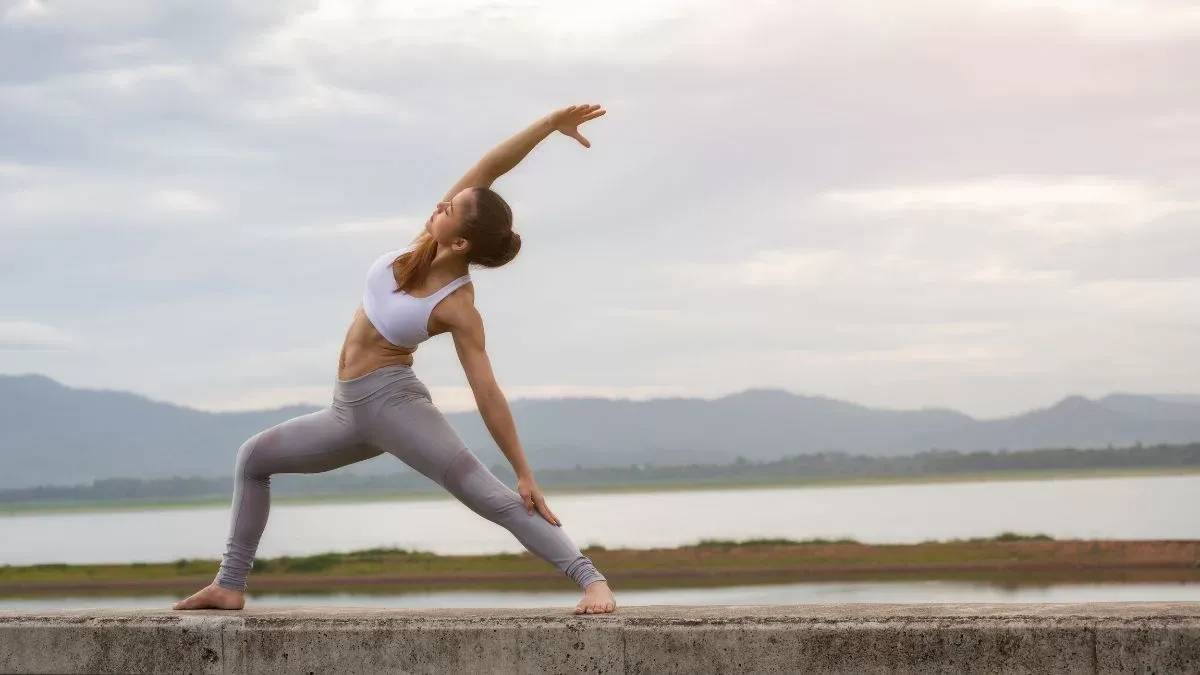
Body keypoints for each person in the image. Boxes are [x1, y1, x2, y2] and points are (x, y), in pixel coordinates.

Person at [172, 104, 616, 615]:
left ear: (462, 240)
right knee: (253, 459)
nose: (441, 204)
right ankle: (229, 586)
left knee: (488, 496)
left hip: (394, 407)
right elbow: (492, 166)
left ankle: (592, 581)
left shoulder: (457, 306)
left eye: (450, 208)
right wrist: (547, 126)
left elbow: (486, 392)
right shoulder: (424, 245)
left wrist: (524, 471)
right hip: (345, 413)